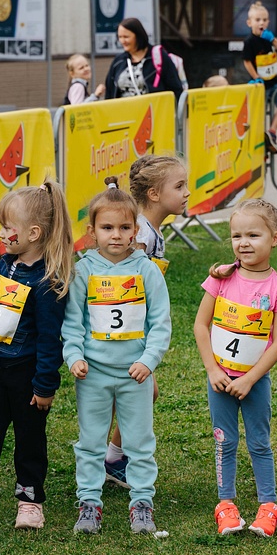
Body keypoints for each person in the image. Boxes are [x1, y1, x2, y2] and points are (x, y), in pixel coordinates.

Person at [0, 181, 74, 534]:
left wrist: (45, 384)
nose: (2, 234)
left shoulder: (48, 281)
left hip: (28, 375)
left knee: (29, 440)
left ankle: (30, 501)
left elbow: (51, 339)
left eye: (7, 227)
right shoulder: (6, 265)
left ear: (33, 232)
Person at [63, 180, 172, 535]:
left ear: (135, 230)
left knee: (140, 441)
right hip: (92, 374)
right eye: (107, 228)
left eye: (124, 228)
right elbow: (72, 322)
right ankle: (89, 504)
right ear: (92, 231)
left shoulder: (147, 271)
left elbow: (160, 323)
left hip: (134, 374)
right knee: (90, 441)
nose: (116, 235)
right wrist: (74, 355)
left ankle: (142, 503)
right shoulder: (83, 270)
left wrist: (149, 360)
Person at [194, 199, 277, 537]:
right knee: (224, 441)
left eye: (253, 234)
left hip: (255, 382)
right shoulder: (221, 279)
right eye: (236, 236)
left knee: (259, 442)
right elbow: (200, 326)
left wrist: (251, 378)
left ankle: (269, 505)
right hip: (219, 380)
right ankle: (226, 505)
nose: (244, 243)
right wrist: (212, 370)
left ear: (275, 238)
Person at [103, 155, 190, 489]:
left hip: (131, 329)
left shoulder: (151, 230)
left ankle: (110, 459)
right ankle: (106, 459)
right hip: (123, 331)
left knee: (139, 393)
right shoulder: (140, 234)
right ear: (154, 193)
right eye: (179, 186)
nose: (186, 193)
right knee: (134, 392)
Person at [103, 17, 183, 100]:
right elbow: (110, 92)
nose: (122, 41)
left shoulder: (158, 57)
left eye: (126, 37)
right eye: (120, 37)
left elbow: (175, 88)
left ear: (138, 36)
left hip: (153, 110)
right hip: (124, 111)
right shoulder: (118, 61)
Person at [241, 1, 277, 142]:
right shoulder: (250, 41)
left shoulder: (268, 38)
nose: (261, 23)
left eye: (265, 20)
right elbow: (247, 61)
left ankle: (272, 131)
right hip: (260, 83)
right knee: (259, 112)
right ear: (249, 23)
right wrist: (256, 77)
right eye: (257, 20)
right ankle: (257, 137)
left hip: (274, 81)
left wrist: (273, 39)